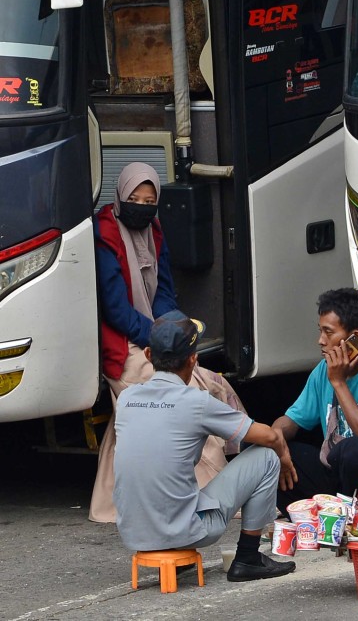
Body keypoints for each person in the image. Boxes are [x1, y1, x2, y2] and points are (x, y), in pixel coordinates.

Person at [89, 162, 244, 522]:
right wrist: (161, 342)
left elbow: (164, 292)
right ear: (120, 196)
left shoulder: (153, 230)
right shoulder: (104, 236)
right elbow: (116, 310)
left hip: (153, 339)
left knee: (190, 387)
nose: (141, 206)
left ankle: (111, 503)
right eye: (134, 198)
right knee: (182, 396)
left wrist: (174, 328)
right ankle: (217, 492)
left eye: (149, 200)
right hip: (122, 344)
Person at [114, 311, 296, 582]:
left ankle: (175, 547)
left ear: (149, 355)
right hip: (188, 529)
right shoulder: (196, 401)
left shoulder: (127, 398)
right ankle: (248, 558)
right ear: (193, 360)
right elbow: (269, 436)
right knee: (267, 456)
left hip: (134, 532)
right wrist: (283, 457)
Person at [273, 288, 358, 512]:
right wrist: (274, 439)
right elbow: (291, 420)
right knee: (263, 447)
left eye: (328, 332)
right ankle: (321, 516)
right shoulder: (322, 370)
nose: (320, 340)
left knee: (351, 449)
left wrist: (339, 382)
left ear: (355, 337)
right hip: (335, 475)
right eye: (320, 331)